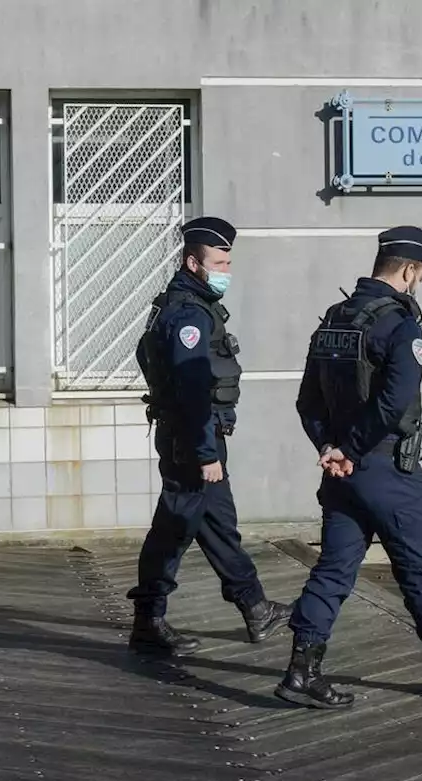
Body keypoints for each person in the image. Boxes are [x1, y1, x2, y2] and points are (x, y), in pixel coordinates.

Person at [275, 225, 422, 709]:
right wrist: (352, 450)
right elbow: (394, 405)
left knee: (333, 570)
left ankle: (301, 672)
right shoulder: (400, 326)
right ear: (409, 270)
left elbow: (307, 400)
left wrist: (330, 447)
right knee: (420, 572)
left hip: (342, 475)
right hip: (387, 473)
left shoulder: (335, 317)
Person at [127, 216, 291, 656]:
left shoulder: (190, 306)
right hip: (193, 441)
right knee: (174, 527)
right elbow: (192, 389)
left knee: (219, 524)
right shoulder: (187, 315)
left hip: (201, 438)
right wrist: (204, 452)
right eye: (219, 262)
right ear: (193, 263)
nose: (226, 271)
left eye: (228, 262)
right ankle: (149, 620)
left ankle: (254, 606)